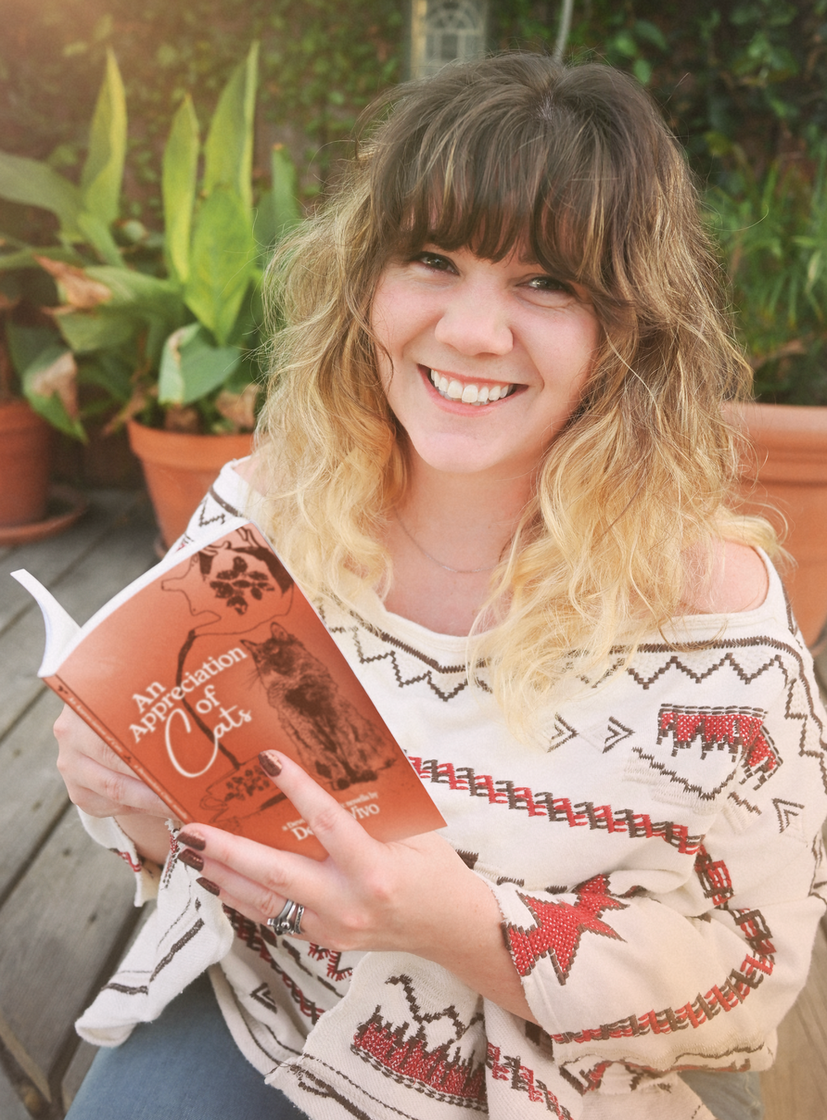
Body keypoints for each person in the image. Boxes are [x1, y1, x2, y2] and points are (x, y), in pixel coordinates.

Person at [55, 53, 826, 1120]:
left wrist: (453, 919)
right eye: (430, 258)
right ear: (363, 277)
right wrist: (128, 804)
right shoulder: (272, 505)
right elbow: (199, 813)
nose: (470, 331)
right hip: (267, 1011)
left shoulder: (709, 614)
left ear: (627, 330)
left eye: (545, 282)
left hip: (556, 1087)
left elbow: (747, 975)